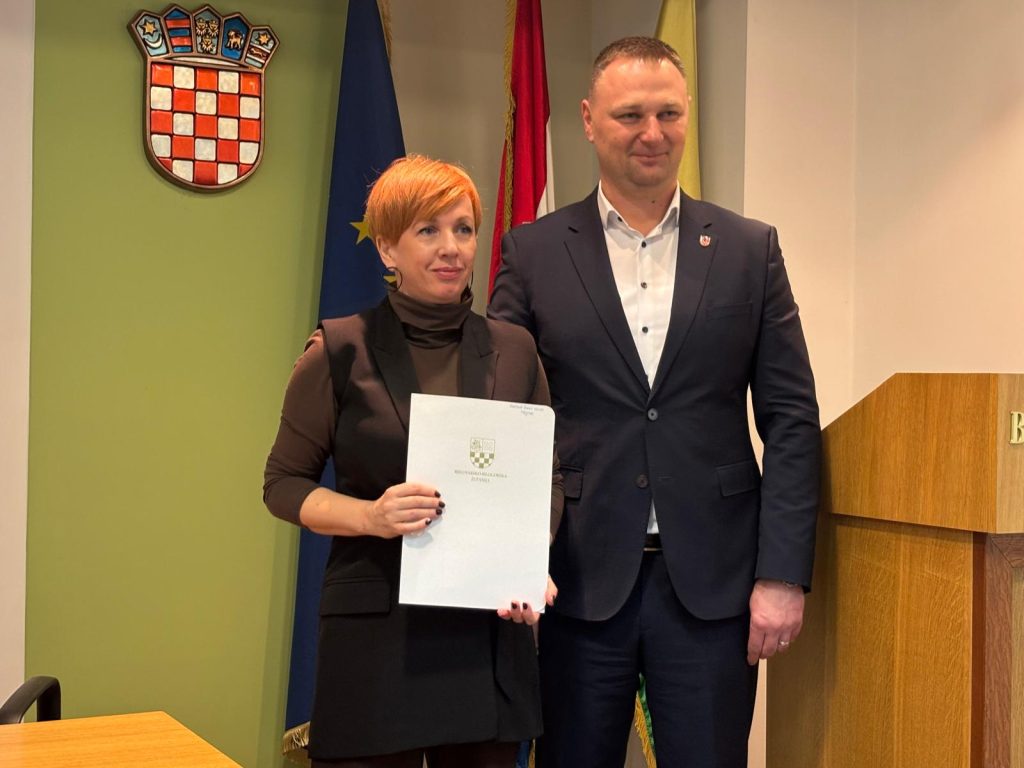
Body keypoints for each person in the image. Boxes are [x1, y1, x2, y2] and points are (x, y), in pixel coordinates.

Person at [489, 36, 821, 768]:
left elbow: (792, 421)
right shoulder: (532, 253)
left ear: (687, 114)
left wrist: (781, 574)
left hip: (714, 589)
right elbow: (502, 419)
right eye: (630, 114)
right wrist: (508, 556)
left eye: (669, 113)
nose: (652, 132)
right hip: (574, 584)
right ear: (588, 119)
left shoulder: (750, 250)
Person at [264, 155, 561, 768]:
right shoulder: (339, 349)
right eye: (428, 230)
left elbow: (544, 478)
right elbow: (283, 484)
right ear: (386, 248)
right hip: (377, 635)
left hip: (486, 635)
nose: (451, 247)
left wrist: (530, 559)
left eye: (463, 228)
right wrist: (371, 516)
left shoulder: (514, 350)